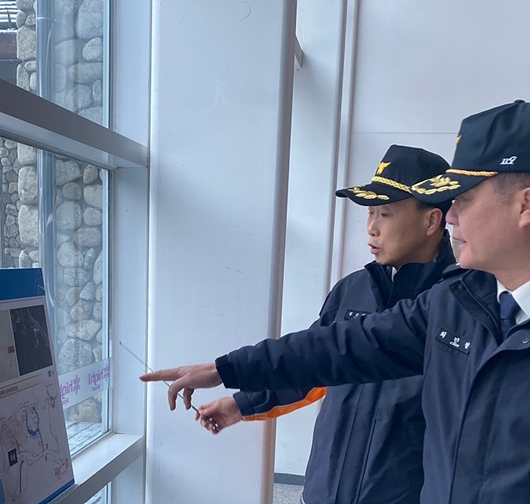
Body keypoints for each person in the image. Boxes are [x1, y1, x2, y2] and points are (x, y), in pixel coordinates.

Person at [141, 100, 530, 503]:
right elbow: (337, 348)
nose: (449, 216)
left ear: (526, 205)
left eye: (462, 199)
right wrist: (226, 369)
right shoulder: (455, 305)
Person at [195, 144, 456, 504]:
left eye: (385, 214)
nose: (371, 228)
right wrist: (240, 404)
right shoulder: (352, 290)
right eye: (370, 213)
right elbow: (310, 367)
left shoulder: (459, 305)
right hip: (324, 491)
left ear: (431, 220)